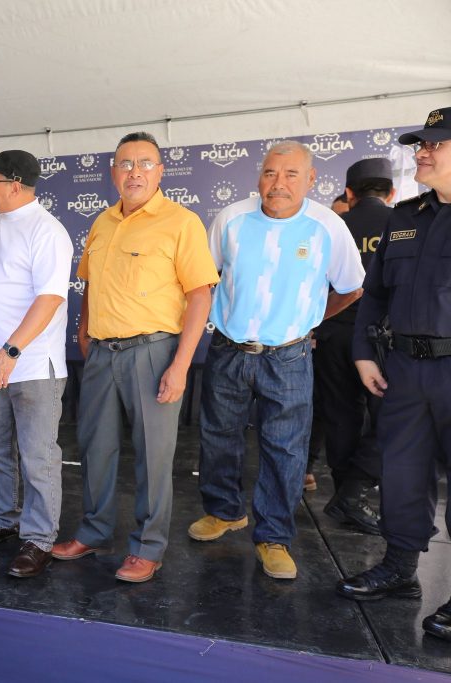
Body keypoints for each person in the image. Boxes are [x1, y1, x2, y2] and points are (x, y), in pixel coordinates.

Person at [190, 141, 364, 580]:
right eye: (270, 173)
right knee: (217, 437)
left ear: (311, 180)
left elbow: (351, 288)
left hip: (289, 356)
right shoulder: (230, 219)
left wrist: (308, 324)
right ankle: (225, 511)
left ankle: (274, 537)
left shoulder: (328, 227)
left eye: (290, 175)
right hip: (229, 348)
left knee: (284, 449)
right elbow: (204, 281)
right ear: (258, 177)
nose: (278, 183)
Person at [52, 132, 218, 582]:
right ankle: (94, 530)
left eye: (145, 163)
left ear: (161, 172)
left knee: (153, 455)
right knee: (96, 449)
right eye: (126, 164)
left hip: (154, 352)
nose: (135, 171)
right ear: (113, 173)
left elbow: (200, 295)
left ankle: (148, 547)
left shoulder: (182, 222)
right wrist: (85, 332)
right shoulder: (102, 222)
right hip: (103, 354)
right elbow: (89, 284)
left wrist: (181, 366)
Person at [338, 107, 451, 643]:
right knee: (401, 474)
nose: (421, 152)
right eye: (419, 144)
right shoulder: (405, 217)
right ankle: (399, 567)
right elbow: (374, 294)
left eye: (435, 144)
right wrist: (363, 352)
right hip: (404, 370)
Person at [0, 150, 72, 578]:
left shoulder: (48, 231)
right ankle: (4, 521)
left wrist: (10, 352)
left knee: (38, 456)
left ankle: (39, 537)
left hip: (29, 367)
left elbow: (49, 298)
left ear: (17, 184)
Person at [315, 158, 394, 535]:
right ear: (392, 192)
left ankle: (349, 495)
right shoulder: (405, 223)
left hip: (334, 333)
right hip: (384, 338)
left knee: (340, 415)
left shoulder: (334, 225)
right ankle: (355, 492)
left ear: (349, 193)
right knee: (394, 419)